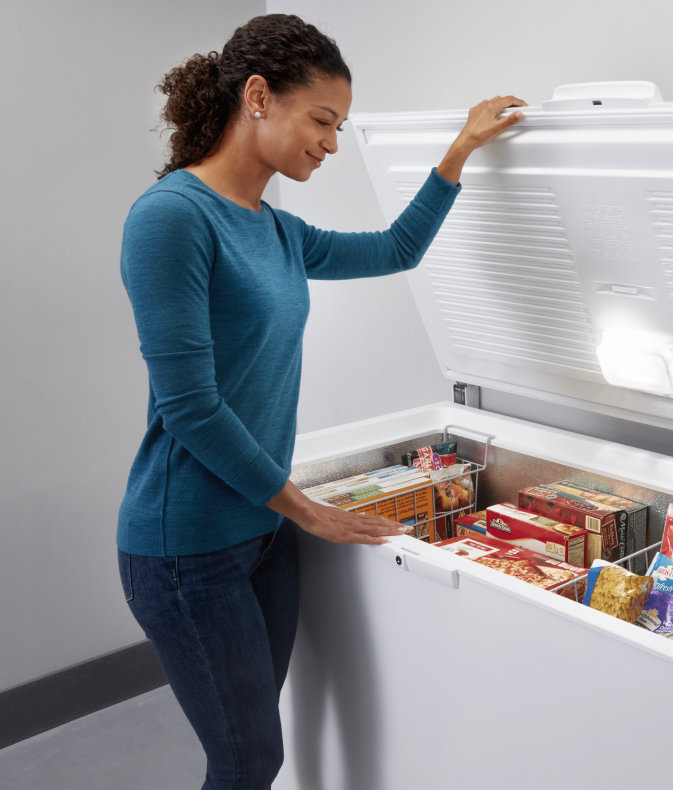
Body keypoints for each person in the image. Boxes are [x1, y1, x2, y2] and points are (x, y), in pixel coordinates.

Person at [115, 14, 523, 789]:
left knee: (259, 743)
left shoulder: (275, 228)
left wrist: (461, 148)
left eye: (339, 126)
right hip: (187, 547)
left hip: (262, 533)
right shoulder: (170, 219)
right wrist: (309, 511)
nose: (332, 144)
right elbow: (190, 406)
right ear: (259, 97)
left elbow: (396, 250)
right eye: (322, 121)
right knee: (246, 757)